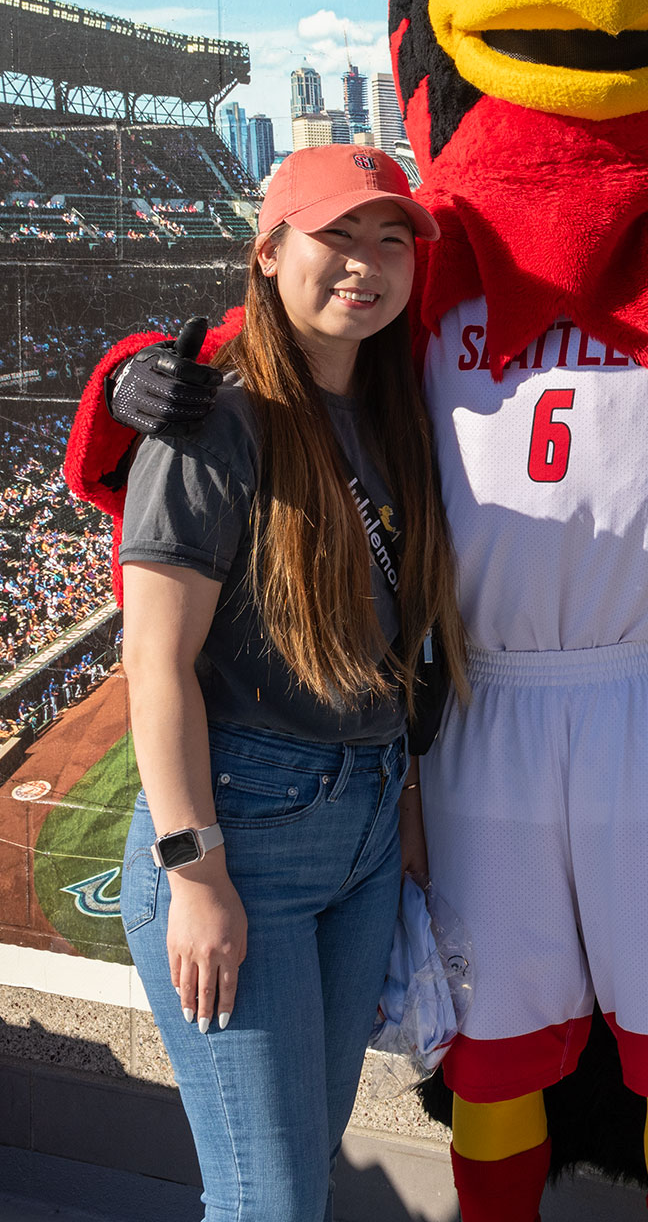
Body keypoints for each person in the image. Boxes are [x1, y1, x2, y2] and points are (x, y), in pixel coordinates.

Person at [115, 146, 468, 1220]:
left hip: (361, 825)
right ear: (268, 253)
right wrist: (194, 874)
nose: (365, 263)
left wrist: (400, 795)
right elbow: (156, 662)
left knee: (297, 1177)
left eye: (390, 239)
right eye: (337, 235)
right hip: (240, 834)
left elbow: (392, 641)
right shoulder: (212, 420)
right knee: (265, 1199)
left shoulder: (395, 406)